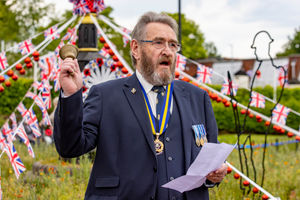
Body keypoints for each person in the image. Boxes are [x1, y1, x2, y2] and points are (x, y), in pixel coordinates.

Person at [54, 11, 227, 200]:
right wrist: (71, 95)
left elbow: (211, 158)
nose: (168, 51)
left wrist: (215, 175)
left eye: (173, 44)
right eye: (158, 42)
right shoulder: (105, 95)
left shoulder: (197, 97)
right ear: (135, 48)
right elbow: (70, 148)